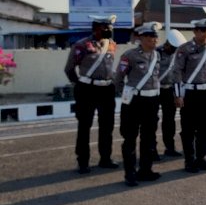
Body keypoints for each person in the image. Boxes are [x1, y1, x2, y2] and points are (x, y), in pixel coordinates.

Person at [64, 14, 119, 174]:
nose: (109, 30)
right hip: (87, 90)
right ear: (96, 29)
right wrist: (80, 84)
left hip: (107, 89)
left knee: (107, 126)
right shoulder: (82, 45)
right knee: (84, 127)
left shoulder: (112, 45)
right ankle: (83, 162)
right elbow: (69, 69)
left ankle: (105, 159)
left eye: (110, 27)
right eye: (105, 27)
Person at [114, 22, 162, 187]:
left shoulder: (158, 56)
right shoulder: (130, 56)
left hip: (152, 101)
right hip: (134, 101)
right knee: (130, 137)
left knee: (149, 137)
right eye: (150, 36)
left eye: (155, 36)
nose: (154, 40)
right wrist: (126, 94)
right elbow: (118, 79)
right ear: (141, 38)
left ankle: (145, 171)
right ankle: (130, 174)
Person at [173, 18, 206, 172]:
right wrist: (178, 95)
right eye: (202, 31)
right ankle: (189, 160)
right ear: (195, 31)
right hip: (190, 93)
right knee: (188, 129)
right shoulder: (184, 49)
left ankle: (201, 158)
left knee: (205, 128)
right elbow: (177, 72)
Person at [156, 29, 187, 157]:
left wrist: (178, 95)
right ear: (167, 43)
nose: (174, 50)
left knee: (169, 120)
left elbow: (179, 75)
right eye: (173, 47)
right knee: (151, 121)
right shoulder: (156, 52)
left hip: (170, 90)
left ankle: (170, 147)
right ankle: (151, 150)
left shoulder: (178, 54)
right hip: (155, 89)